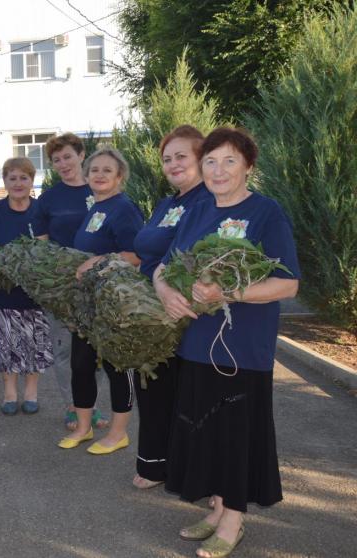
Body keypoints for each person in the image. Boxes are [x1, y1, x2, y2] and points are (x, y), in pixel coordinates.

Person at [154, 127, 299, 558]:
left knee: (236, 435)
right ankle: (216, 509)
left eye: (229, 161)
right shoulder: (198, 211)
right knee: (205, 429)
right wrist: (167, 292)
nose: (218, 170)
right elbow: (164, 267)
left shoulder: (266, 212)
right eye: (211, 161)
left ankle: (233, 520)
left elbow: (288, 284)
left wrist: (228, 294)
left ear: (248, 167)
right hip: (197, 343)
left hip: (243, 348)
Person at [131, 126, 211, 490]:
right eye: (167, 159)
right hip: (152, 311)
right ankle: (154, 463)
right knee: (152, 387)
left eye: (182, 156)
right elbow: (147, 249)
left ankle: (190, 469)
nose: (173, 164)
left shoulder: (208, 201)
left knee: (186, 395)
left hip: (184, 311)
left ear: (201, 158)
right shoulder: (167, 204)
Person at [57, 148, 143, 455]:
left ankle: (118, 433)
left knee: (116, 367)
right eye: (94, 170)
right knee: (81, 365)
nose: (100, 175)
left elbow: (136, 255)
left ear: (120, 175)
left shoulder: (123, 209)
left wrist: (96, 262)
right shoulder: (96, 208)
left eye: (107, 170)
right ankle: (83, 427)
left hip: (113, 303)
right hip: (88, 305)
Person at [33, 132, 108, 430]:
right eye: (56, 160)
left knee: (98, 347)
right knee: (64, 348)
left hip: (100, 282)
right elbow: (41, 245)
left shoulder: (102, 190)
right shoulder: (48, 199)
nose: (63, 163)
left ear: (81, 155)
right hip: (63, 286)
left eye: (67, 156)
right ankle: (72, 406)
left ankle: (91, 405)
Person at [0, 157, 53, 415]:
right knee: (4, 345)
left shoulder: (41, 211)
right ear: (5, 181)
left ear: (32, 180)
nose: (18, 183)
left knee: (33, 345)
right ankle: (9, 393)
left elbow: (51, 249)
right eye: (12, 178)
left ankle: (31, 392)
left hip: (33, 293)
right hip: (1, 293)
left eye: (23, 178)